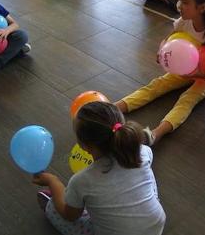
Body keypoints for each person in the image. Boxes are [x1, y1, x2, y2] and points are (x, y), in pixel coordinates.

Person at [115, 0, 205, 145]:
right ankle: (114, 108)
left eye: (185, 2)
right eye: (180, 0)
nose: (179, 5)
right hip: (188, 67)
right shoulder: (183, 21)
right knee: (158, 84)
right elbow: (169, 39)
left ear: (201, 8)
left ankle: (155, 134)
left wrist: (203, 74)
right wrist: (162, 51)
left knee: (187, 98)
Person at [33, 101, 165, 235]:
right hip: (155, 227)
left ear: (83, 145)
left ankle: (54, 201)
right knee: (145, 170)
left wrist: (53, 182)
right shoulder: (142, 151)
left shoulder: (82, 180)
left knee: (54, 209)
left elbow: (70, 215)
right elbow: (146, 157)